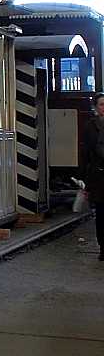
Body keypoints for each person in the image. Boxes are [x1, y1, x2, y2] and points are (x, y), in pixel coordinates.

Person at [80, 92, 104, 259]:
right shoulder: (90, 127)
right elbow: (85, 153)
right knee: (101, 214)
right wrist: (84, 180)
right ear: (95, 107)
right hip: (98, 176)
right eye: (101, 104)